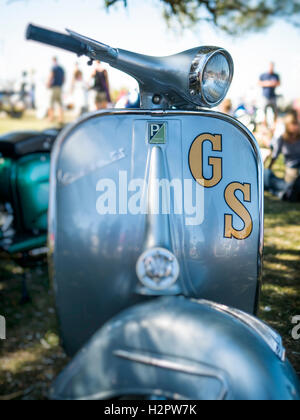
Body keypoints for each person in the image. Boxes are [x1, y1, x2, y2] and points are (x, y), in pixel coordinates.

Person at [269, 111, 300, 184]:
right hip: (290, 169)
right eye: (293, 123)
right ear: (287, 125)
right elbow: (275, 155)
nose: (295, 126)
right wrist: (269, 168)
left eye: (296, 124)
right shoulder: (282, 139)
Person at [47, 57, 65, 123]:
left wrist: (48, 83)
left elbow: (51, 76)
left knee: (51, 103)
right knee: (60, 104)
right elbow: (63, 79)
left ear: (53, 60)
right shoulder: (61, 68)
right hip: (59, 88)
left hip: (53, 88)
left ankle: (50, 118)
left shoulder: (53, 67)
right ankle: (60, 119)